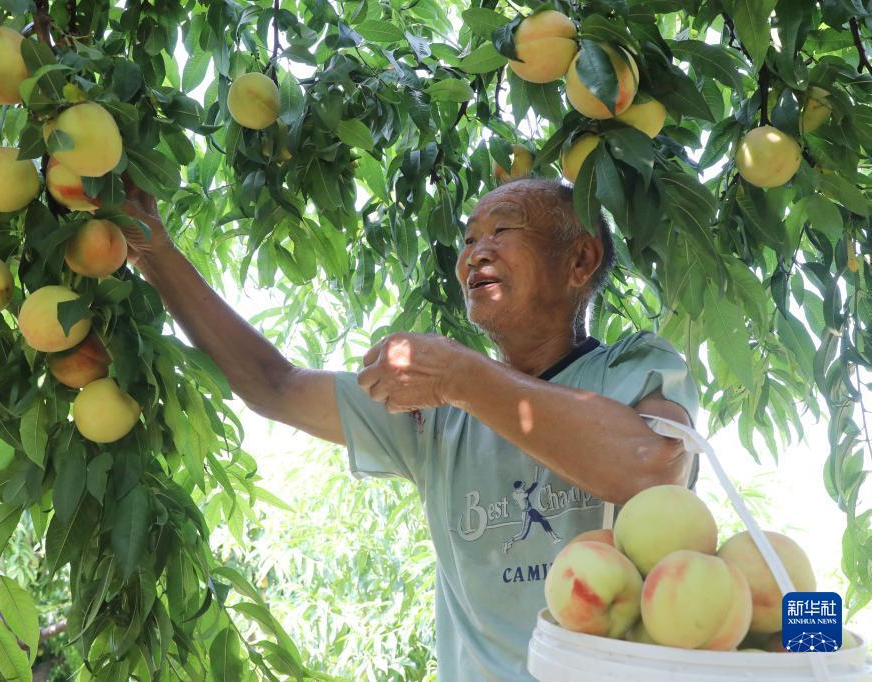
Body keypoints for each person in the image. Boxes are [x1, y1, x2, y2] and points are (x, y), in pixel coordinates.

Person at [120, 176, 699, 681]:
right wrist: (153, 249)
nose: (476, 252)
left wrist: (464, 378)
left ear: (579, 261)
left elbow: (651, 467)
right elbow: (275, 385)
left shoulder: (630, 365)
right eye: (469, 238)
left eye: (502, 231)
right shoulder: (436, 406)